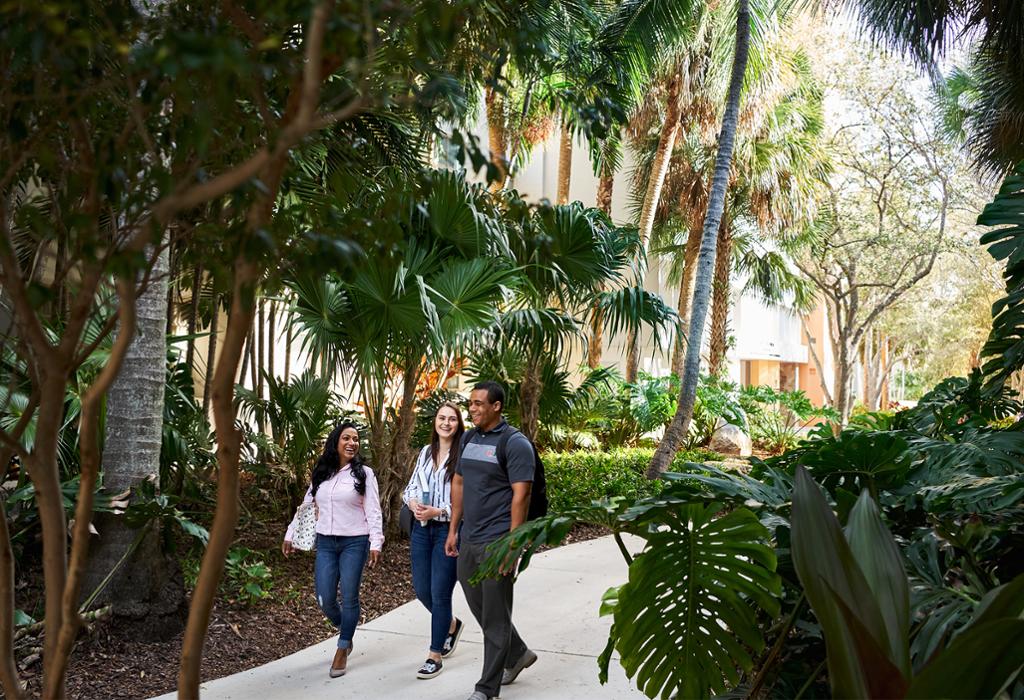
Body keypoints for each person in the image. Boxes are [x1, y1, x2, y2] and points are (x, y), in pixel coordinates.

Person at [445, 381, 539, 700]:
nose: (471, 409)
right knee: (480, 607)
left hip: (498, 540)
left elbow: (521, 495)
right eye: (470, 403)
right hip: (469, 536)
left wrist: (514, 544)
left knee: (496, 615)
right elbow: (458, 481)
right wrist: (453, 529)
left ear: (496, 406)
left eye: (478, 404)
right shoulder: (470, 438)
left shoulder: (515, 444)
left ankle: (487, 688)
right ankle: (518, 653)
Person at [283, 421, 383, 678]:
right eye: (346, 438)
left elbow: (373, 509)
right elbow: (306, 505)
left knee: (349, 596)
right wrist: (290, 533)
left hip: (354, 541)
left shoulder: (364, 474)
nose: (352, 443)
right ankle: (345, 628)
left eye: (356, 439)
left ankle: (342, 648)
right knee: (325, 598)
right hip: (326, 542)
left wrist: (376, 542)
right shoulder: (322, 471)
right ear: (336, 442)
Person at [402, 401, 466, 679]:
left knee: (440, 593)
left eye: (452, 419)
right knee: (421, 590)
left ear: (458, 424)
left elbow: (468, 500)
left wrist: (439, 511)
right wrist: (414, 503)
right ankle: (450, 624)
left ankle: (434, 655)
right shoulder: (426, 452)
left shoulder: (463, 455)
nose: (446, 423)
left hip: (447, 531)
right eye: (442, 418)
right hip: (421, 529)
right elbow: (412, 486)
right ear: (435, 422)